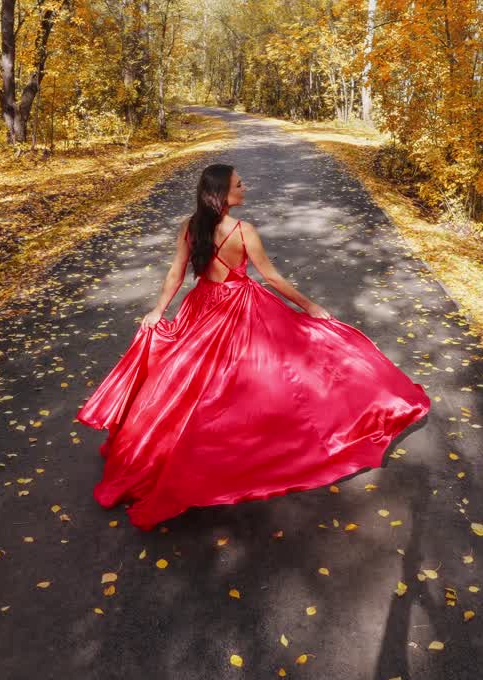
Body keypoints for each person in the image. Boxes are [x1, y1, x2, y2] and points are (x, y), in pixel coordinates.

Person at [75, 163, 431, 530]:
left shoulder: (190, 227)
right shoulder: (243, 231)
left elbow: (176, 273)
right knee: (260, 376)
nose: (245, 188)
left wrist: (158, 310)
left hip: (202, 304)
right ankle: (240, 446)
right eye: (239, 184)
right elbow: (271, 277)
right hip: (239, 307)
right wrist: (309, 306)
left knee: (194, 380)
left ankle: (175, 447)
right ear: (221, 193)